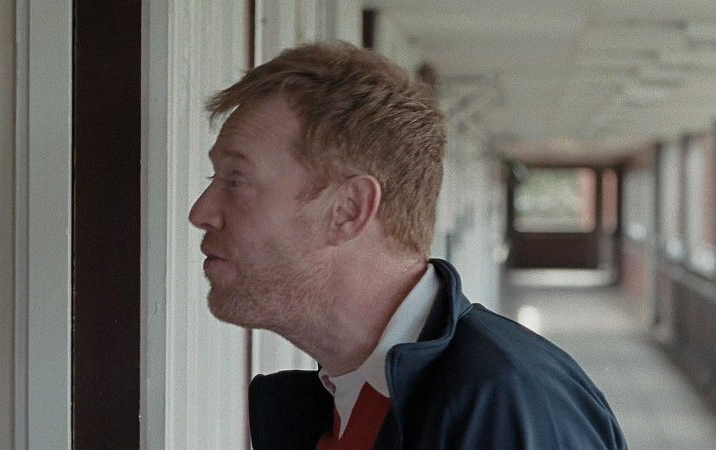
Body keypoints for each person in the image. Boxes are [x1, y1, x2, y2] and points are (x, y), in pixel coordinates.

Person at [189, 42, 627, 449]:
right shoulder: (346, 396)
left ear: (349, 210)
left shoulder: (509, 404)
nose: (201, 212)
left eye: (236, 180)